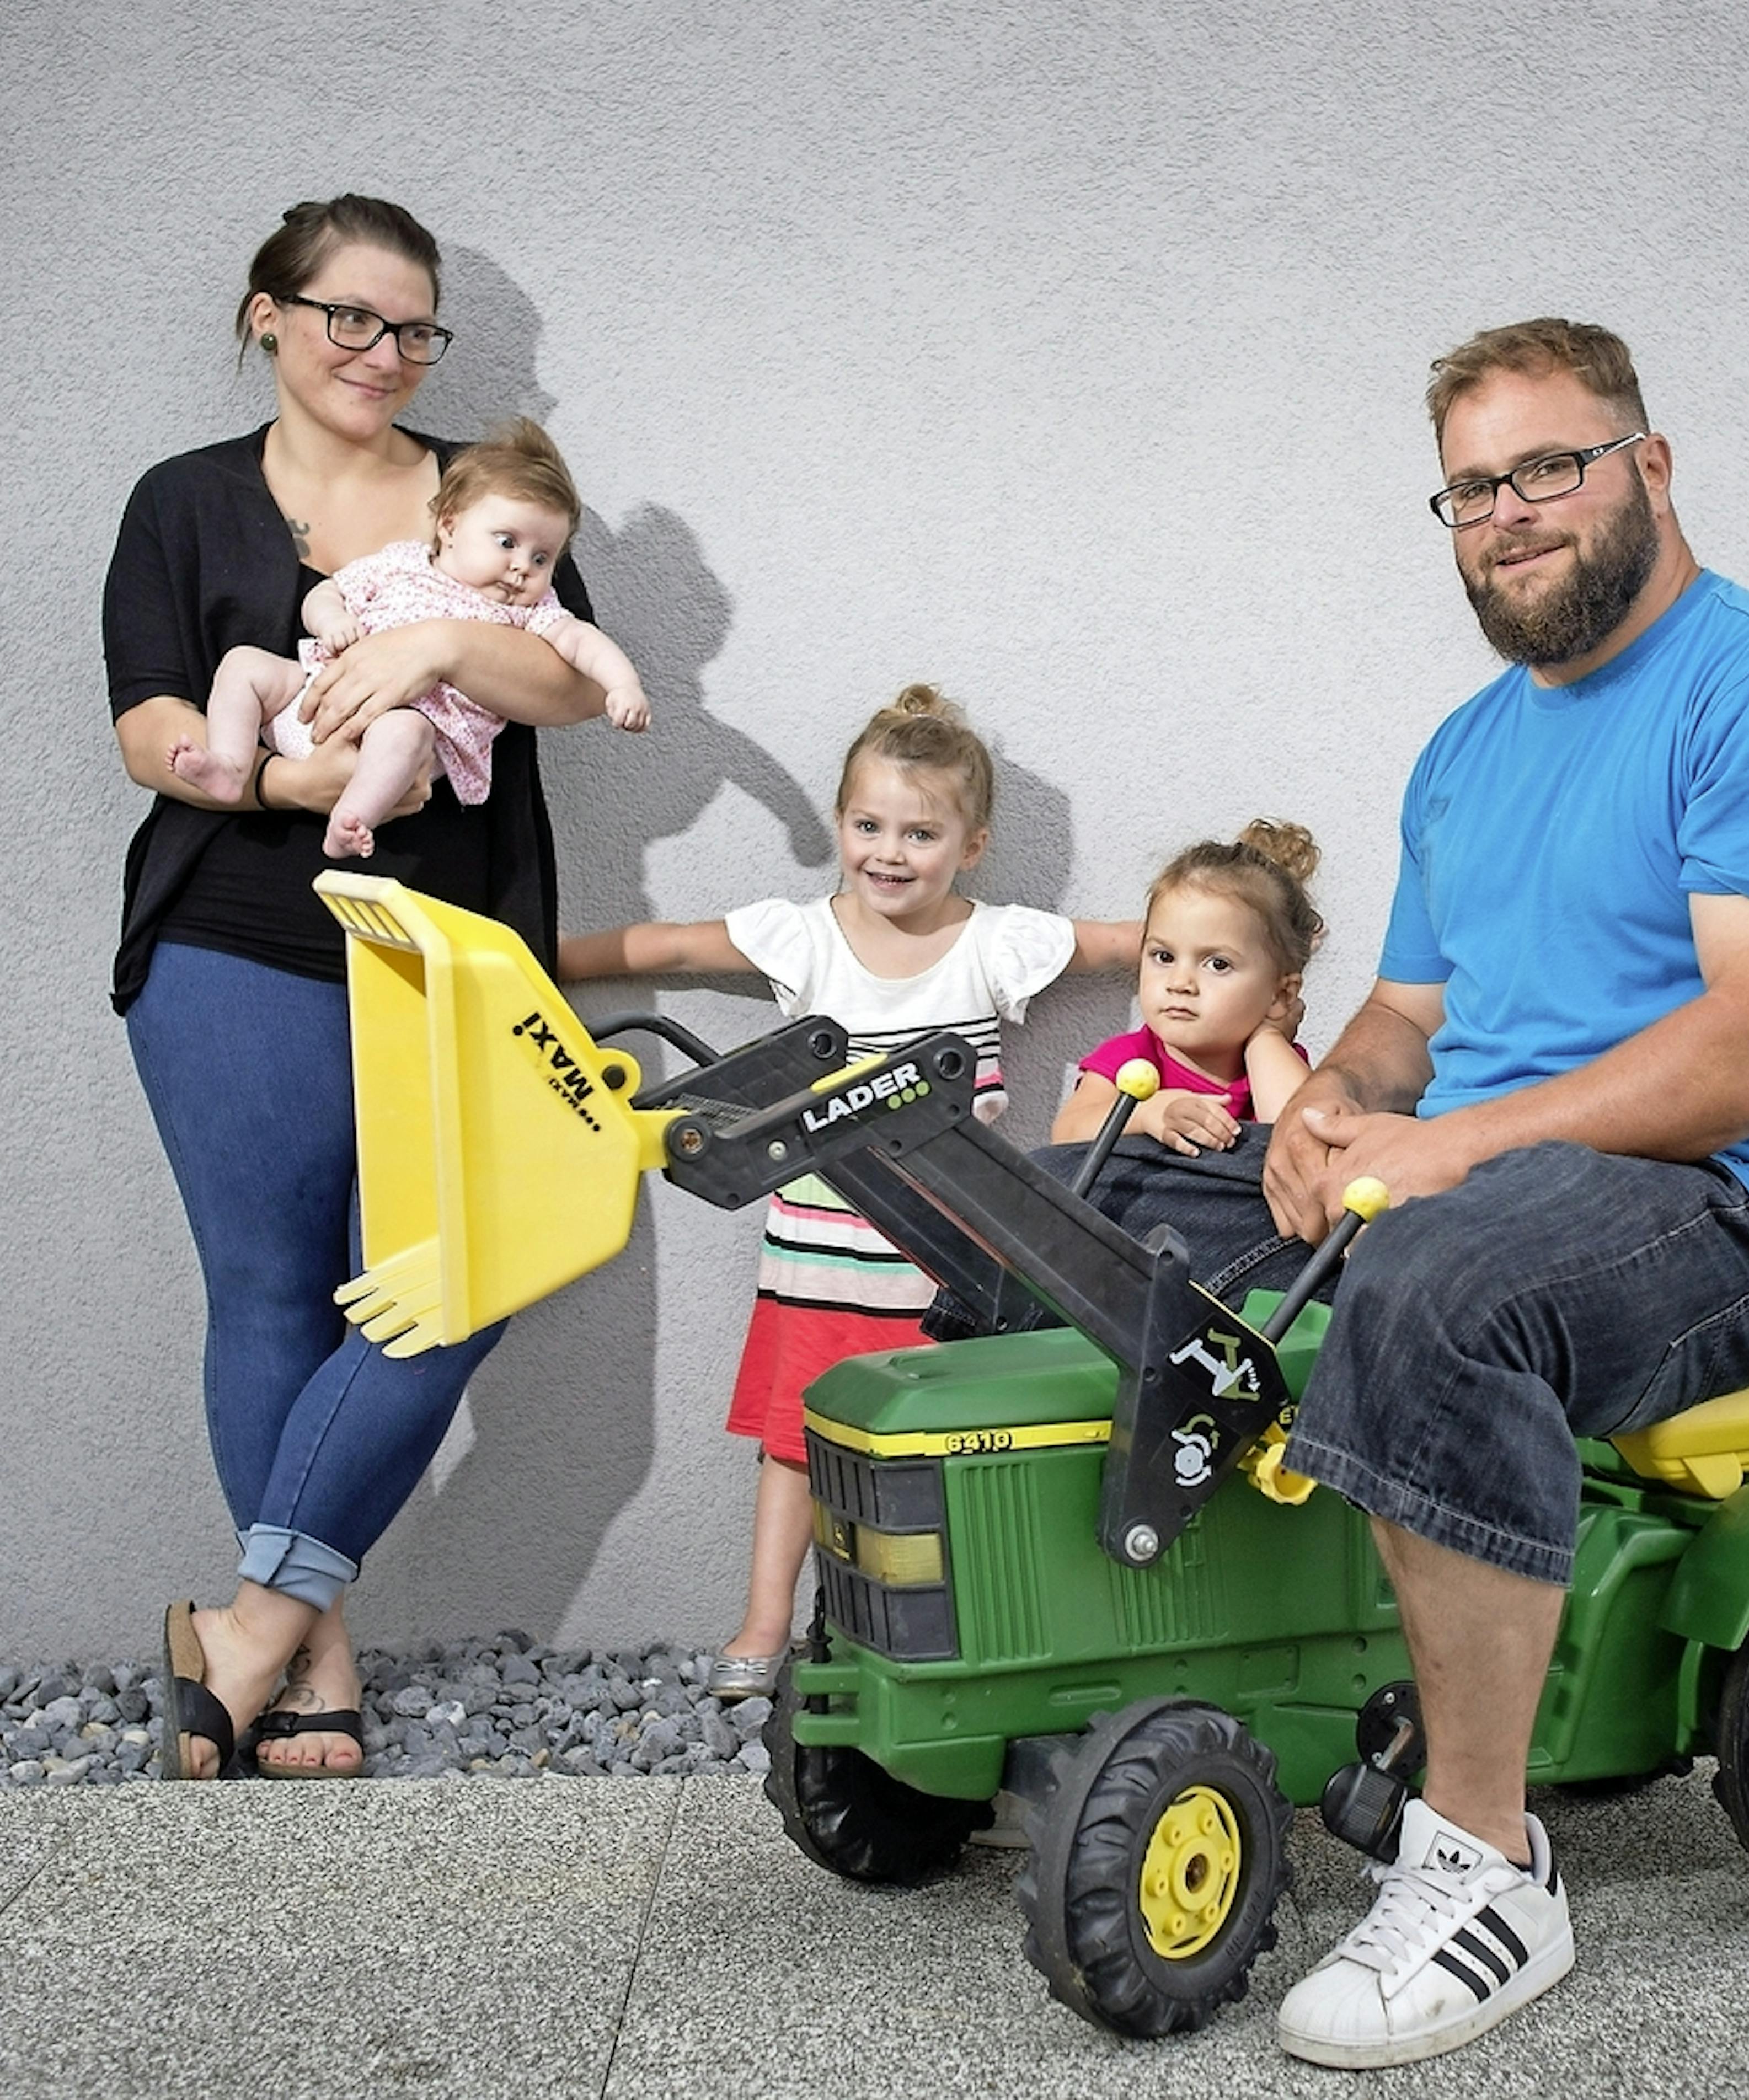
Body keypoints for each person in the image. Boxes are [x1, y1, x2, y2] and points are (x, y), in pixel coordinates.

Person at [1262, 318, 1749, 2067]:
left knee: (1440, 1281)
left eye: (1545, 466)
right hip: (1496, 1177)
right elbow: (1408, 1017)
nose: (1506, 512)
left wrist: (1445, 1153)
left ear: (1647, 463)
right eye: (1470, 486)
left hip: (1731, 1206)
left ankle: (1486, 1864)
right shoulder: (1467, 748)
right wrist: (1333, 1101)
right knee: (1086, 1221)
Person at [108, 195, 616, 1780]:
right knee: (270, 1289)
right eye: (351, 319)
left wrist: (442, 645)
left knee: (455, 1276)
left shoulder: (481, 495)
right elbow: (147, 722)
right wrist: (289, 778)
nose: (384, 356)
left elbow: (560, 684)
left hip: (448, 947)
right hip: (232, 940)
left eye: (414, 330)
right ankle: (315, 1644)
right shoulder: (184, 501)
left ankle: (246, 1623)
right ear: (268, 314)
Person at [559, 685, 1139, 1697]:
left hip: (948, 1275)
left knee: (946, 1455)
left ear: (973, 843)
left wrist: (1230, 946)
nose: (890, 850)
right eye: (869, 824)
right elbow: (676, 947)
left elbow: (1124, 944)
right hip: (817, 1261)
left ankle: (944, 1635)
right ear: (839, 824)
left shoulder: (997, 943)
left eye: (921, 831)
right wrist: (538, 959)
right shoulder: (805, 938)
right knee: (796, 1443)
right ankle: (764, 1621)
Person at [169, 416, 649, 860]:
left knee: (407, 731)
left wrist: (623, 685)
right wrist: (330, 620)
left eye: (543, 558)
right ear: (450, 525)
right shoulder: (404, 562)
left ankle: (350, 817)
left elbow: (584, 644)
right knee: (243, 665)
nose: (523, 566)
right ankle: (231, 767)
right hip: (313, 699)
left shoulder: (530, 613)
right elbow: (327, 592)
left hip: (404, 737)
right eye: (507, 542)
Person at [1051, 819, 1320, 1152]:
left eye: (1218, 964)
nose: (1180, 983)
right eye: (1164, 957)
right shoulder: (1134, 1059)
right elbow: (1066, 1133)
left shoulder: (1276, 1065)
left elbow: (1300, 1144)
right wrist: (1146, 1112)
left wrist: (1266, 1038)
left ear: (1281, 994)